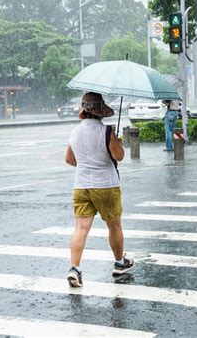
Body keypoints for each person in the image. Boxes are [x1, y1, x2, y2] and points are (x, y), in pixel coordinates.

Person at [65, 92, 134, 288]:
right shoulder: (106, 132)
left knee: (80, 228)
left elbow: (70, 159)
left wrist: (87, 164)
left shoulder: (75, 132)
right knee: (114, 226)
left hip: (81, 186)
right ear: (100, 110)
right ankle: (120, 262)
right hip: (106, 185)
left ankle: (75, 268)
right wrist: (117, 142)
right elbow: (118, 156)